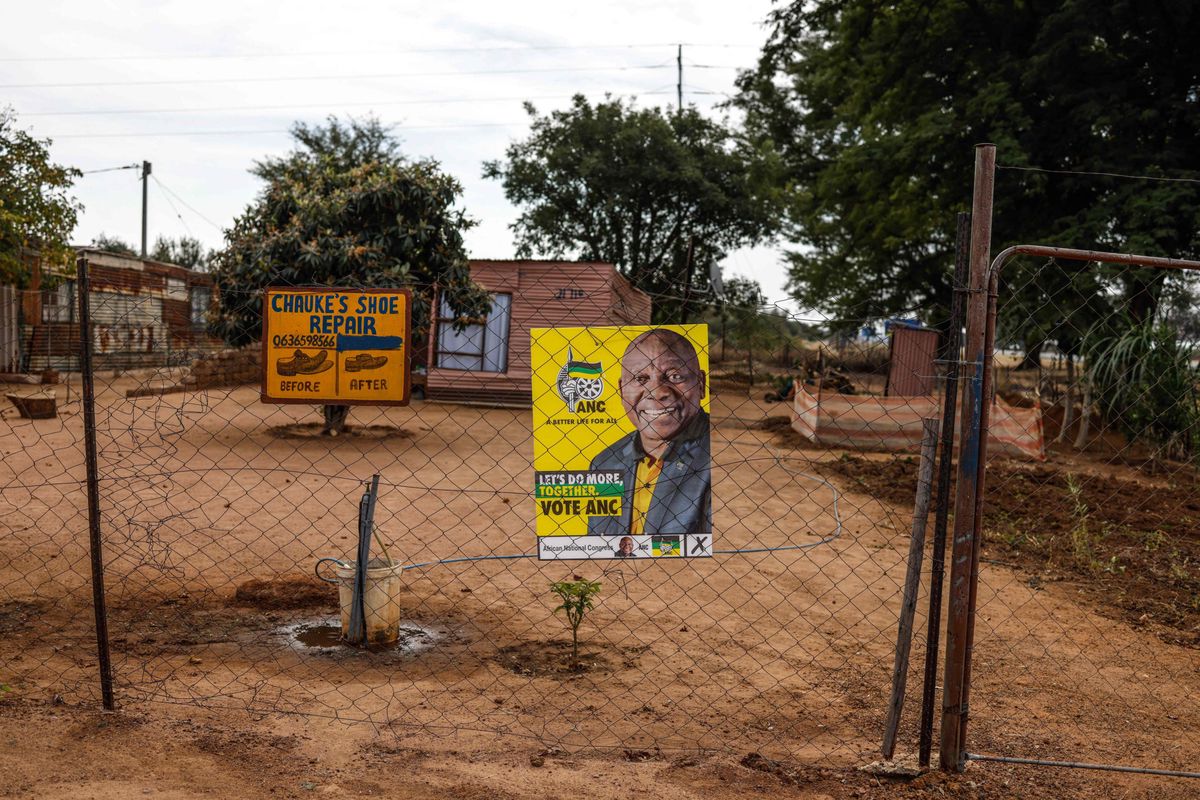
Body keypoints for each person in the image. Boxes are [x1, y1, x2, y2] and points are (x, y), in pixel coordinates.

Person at [588, 329, 711, 537]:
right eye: (640, 378)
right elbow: (600, 544)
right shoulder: (604, 463)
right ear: (621, 389)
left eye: (675, 376)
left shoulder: (716, 456)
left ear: (700, 383)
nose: (657, 391)